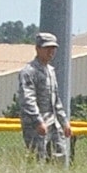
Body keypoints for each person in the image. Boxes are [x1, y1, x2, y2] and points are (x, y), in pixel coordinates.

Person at [17, 32, 72, 161]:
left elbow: (56, 100)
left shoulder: (51, 71)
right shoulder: (29, 71)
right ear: (38, 48)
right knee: (38, 157)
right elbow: (27, 99)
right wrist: (38, 121)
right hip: (35, 124)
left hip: (53, 121)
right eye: (47, 48)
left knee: (61, 154)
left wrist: (64, 122)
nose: (51, 51)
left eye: (53, 48)